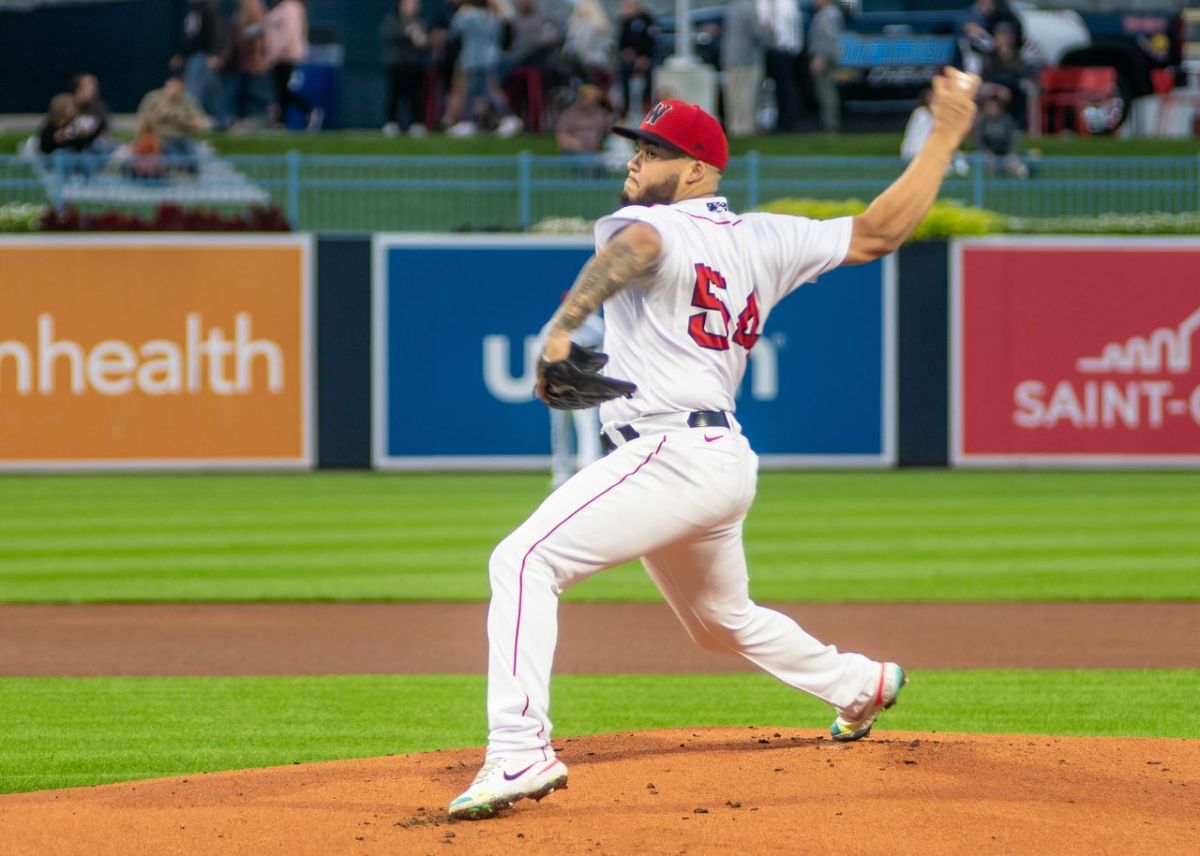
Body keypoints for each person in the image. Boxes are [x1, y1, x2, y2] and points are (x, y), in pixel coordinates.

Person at [447, 67, 982, 820]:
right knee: (719, 622)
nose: (636, 160)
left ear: (695, 170)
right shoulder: (767, 236)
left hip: (668, 451)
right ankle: (857, 684)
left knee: (524, 560)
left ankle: (518, 748)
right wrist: (946, 139)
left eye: (655, 150)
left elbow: (634, 245)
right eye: (638, 146)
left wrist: (563, 325)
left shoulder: (660, 222)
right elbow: (880, 231)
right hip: (719, 457)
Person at [536, 310, 606, 489]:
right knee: (560, 431)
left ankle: (589, 472)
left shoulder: (597, 326)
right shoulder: (552, 327)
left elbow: (610, 353)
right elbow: (540, 355)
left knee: (589, 428)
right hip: (558, 385)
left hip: (584, 385)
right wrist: (542, 380)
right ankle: (561, 474)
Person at [446, 0, 523, 137]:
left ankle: (508, 117)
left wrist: (461, 11)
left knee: (487, 91)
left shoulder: (467, 15)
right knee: (475, 91)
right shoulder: (493, 16)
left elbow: (454, 30)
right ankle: (468, 121)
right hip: (491, 58)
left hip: (474, 59)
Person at [171, 0, 232, 131]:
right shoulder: (193, 11)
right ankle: (224, 120)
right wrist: (182, 54)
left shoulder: (208, 9)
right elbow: (191, 37)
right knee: (213, 92)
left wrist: (215, 53)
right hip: (197, 55)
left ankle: (187, 122)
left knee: (193, 92)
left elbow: (215, 33)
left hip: (201, 56)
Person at [265, 0, 320, 130]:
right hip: (280, 55)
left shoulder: (291, 7)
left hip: (286, 55)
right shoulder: (282, 7)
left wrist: (275, 53)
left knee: (283, 89)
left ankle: (308, 110)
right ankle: (280, 121)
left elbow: (287, 34)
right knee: (281, 90)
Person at [136, 75, 212, 167]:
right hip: (159, 137)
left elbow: (200, 126)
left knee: (193, 155)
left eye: (177, 89)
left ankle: (191, 169)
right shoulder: (153, 97)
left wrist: (178, 120)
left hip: (182, 137)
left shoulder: (188, 100)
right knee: (166, 151)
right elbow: (142, 127)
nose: (173, 92)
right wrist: (158, 112)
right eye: (170, 87)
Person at [721, 0, 772, 137]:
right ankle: (745, 127)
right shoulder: (749, 8)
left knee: (733, 96)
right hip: (747, 59)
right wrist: (769, 32)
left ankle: (735, 126)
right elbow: (757, 33)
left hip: (731, 58)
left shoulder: (733, 7)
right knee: (747, 95)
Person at [381, 0, 431, 136]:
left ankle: (416, 123)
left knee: (416, 96)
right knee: (394, 95)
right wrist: (406, 34)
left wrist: (422, 39)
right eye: (409, 4)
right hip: (396, 64)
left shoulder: (420, 23)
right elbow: (389, 36)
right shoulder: (392, 21)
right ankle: (391, 123)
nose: (413, 7)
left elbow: (425, 42)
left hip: (414, 65)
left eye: (415, 5)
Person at [225, 0, 272, 128]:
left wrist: (248, 33)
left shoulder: (254, 5)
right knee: (240, 92)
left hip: (253, 60)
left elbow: (262, 27)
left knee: (255, 93)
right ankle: (241, 120)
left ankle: (266, 118)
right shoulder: (241, 10)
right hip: (242, 60)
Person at [759, 0, 801, 132]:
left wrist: (796, 47)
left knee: (785, 87)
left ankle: (787, 121)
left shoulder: (787, 3)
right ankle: (768, 119)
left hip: (784, 49)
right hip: (767, 49)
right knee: (767, 86)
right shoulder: (762, 3)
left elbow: (794, 25)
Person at [616, 0, 657, 122]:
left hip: (645, 59)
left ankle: (646, 103)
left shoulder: (647, 20)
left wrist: (644, 57)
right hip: (630, 59)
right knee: (623, 72)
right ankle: (625, 105)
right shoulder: (625, 22)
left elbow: (652, 41)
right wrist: (628, 54)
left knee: (651, 73)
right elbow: (621, 43)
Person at [974, 87, 1027, 177]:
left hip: (1006, 152)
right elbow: (978, 139)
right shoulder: (983, 122)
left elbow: (1013, 138)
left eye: (991, 105)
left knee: (1014, 163)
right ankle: (992, 178)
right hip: (988, 153)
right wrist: (987, 152)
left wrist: (1011, 152)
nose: (988, 108)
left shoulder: (1007, 120)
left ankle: (1021, 178)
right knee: (984, 160)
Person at [808, 0, 843, 132]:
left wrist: (820, 57)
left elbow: (828, 38)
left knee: (826, 90)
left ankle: (830, 124)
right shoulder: (826, 13)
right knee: (825, 90)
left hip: (825, 58)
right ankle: (828, 122)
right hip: (826, 57)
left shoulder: (828, 15)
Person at [554, 83, 611, 154]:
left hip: (594, 151)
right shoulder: (570, 114)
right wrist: (575, 144)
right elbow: (561, 135)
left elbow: (608, 133)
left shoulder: (601, 114)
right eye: (585, 98)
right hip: (574, 150)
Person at [70, 74, 114, 154]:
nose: (94, 90)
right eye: (90, 88)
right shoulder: (68, 106)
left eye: (95, 87)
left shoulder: (99, 108)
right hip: (72, 145)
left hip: (94, 146)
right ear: (79, 89)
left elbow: (105, 133)